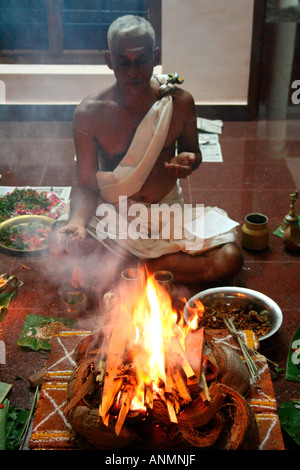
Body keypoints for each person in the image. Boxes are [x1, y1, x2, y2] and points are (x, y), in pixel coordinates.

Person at [49, 15, 243, 289]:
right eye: (123, 62)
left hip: (166, 213)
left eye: (141, 60)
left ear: (156, 56)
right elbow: (85, 185)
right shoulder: (89, 113)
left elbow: (193, 153)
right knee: (60, 244)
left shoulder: (178, 103)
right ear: (109, 60)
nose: (133, 72)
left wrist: (190, 161)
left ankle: (130, 270)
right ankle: (157, 272)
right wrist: (78, 224)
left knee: (229, 258)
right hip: (113, 214)